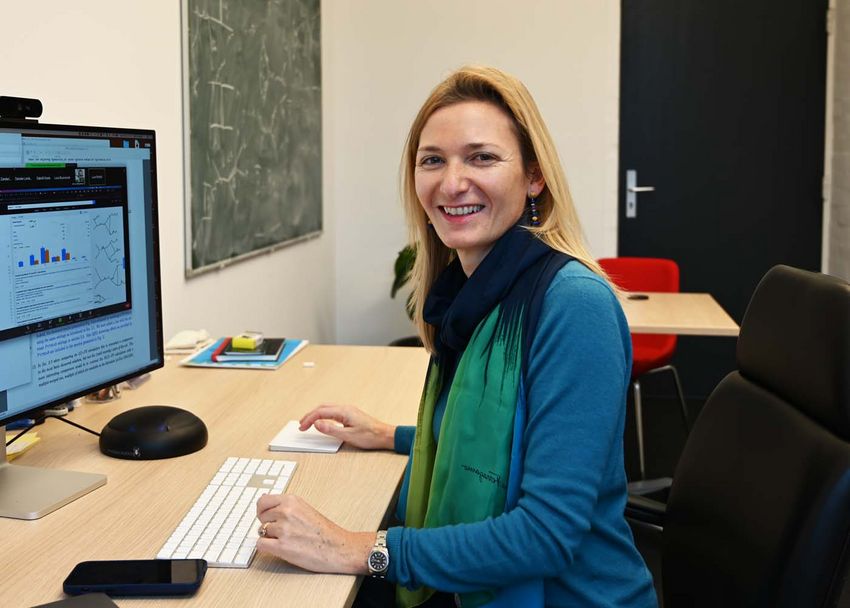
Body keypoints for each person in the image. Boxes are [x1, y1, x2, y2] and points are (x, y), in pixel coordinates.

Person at [255, 65, 658, 608]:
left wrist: (358, 548)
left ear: (534, 177)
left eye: (482, 157)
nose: (451, 182)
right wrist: (391, 434)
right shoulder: (472, 294)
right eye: (432, 160)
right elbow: (496, 433)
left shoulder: (573, 304)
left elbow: (545, 536)